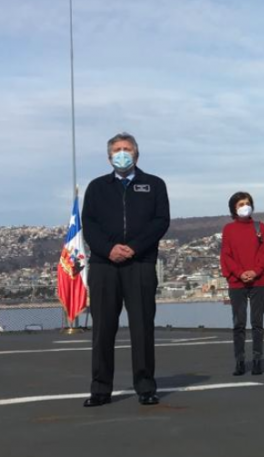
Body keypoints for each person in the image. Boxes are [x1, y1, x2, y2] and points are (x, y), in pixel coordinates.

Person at [81, 132, 170, 407]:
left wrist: (133, 247)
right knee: (103, 329)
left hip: (140, 264)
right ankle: (100, 389)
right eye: (117, 149)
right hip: (103, 266)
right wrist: (109, 249)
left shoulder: (154, 184)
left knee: (142, 327)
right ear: (109, 157)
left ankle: (145, 386)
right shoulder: (96, 187)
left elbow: (160, 221)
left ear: (137, 154)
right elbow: (89, 223)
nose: (122, 153)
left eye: (127, 148)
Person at [220, 192, 264, 376]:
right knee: (239, 323)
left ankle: (258, 359)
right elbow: (226, 255)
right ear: (234, 209)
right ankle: (240, 361)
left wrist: (256, 271)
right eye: (240, 204)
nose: (245, 206)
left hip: (259, 281)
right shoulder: (228, 229)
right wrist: (239, 273)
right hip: (237, 282)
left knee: (257, 322)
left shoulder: (260, 227)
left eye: (247, 203)